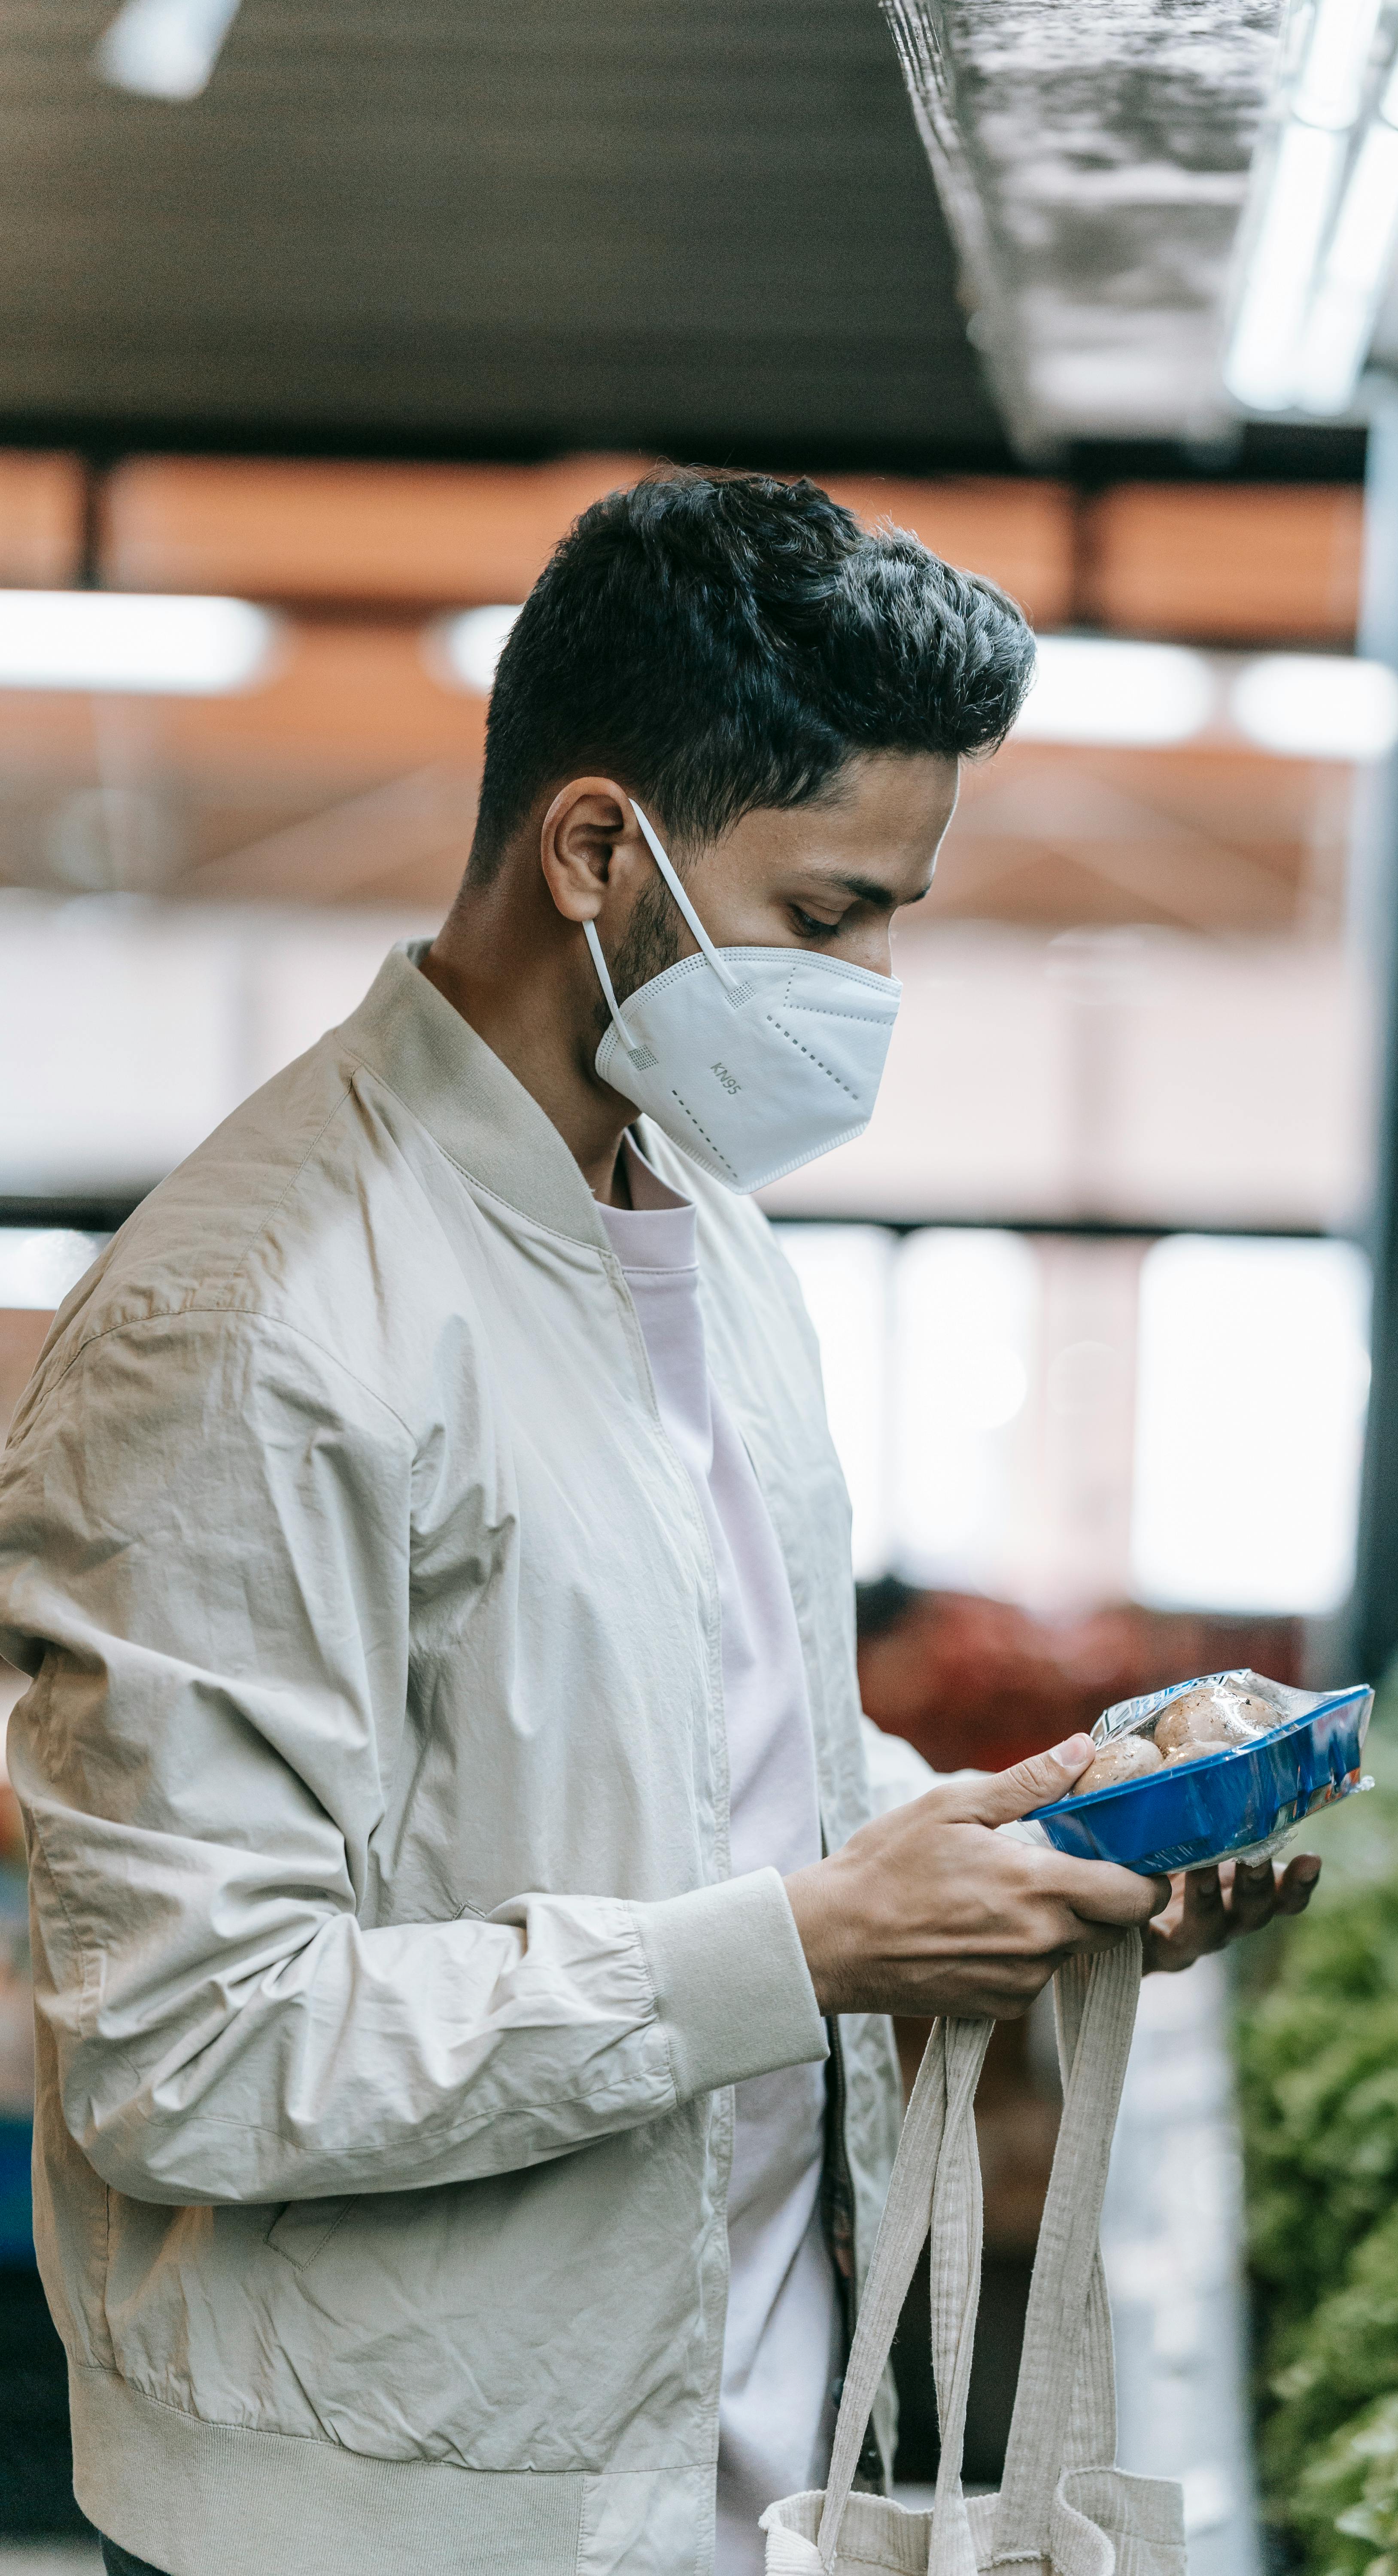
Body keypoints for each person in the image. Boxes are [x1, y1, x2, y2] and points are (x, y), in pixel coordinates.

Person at [0, 470, 1319, 2576]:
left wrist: (1019, 1846)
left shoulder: (690, 1211)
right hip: (396, 2524)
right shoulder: (248, 1326)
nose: (873, 983)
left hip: (717, 2447)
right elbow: (187, 2048)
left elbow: (713, 1758)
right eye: (826, 914)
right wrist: (805, 1947)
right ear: (595, 844)